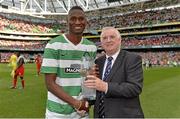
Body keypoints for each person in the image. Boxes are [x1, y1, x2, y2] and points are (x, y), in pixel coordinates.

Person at [41, 6, 97, 118]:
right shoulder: (53, 45)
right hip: (57, 113)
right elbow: (50, 84)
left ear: (86, 21)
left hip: (81, 113)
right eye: (73, 18)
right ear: (67, 21)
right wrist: (76, 103)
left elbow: (87, 78)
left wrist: (85, 102)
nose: (77, 22)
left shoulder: (91, 47)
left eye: (81, 19)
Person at [85, 27, 144, 118]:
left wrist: (106, 86)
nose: (108, 40)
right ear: (101, 43)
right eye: (104, 38)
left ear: (119, 40)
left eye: (112, 37)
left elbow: (134, 88)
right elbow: (96, 91)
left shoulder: (132, 59)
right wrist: (86, 104)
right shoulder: (98, 62)